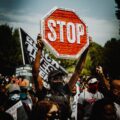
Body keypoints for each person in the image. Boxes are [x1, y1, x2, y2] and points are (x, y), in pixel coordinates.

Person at [32, 34, 89, 120]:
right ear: (49, 81)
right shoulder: (43, 92)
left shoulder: (66, 90)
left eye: (60, 77)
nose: (59, 80)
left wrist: (85, 49)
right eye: (55, 78)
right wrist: (40, 49)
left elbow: (77, 71)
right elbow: (35, 73)